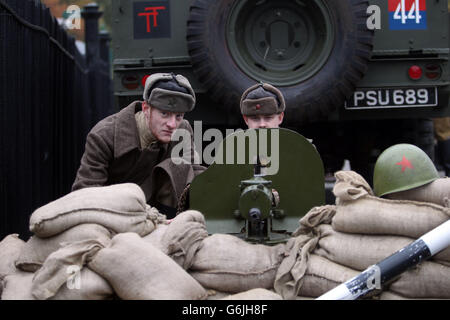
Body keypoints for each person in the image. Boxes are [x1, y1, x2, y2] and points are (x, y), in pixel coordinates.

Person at [72, 73, 205, 218]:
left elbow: (193, 172)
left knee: (180, 167)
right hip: (115, 212)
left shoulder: (183, 130)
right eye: (164, 113)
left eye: (178, 116)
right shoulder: (105, 135)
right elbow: (86, 190)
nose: (172, 124)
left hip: (163, 217)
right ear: (146, 109)